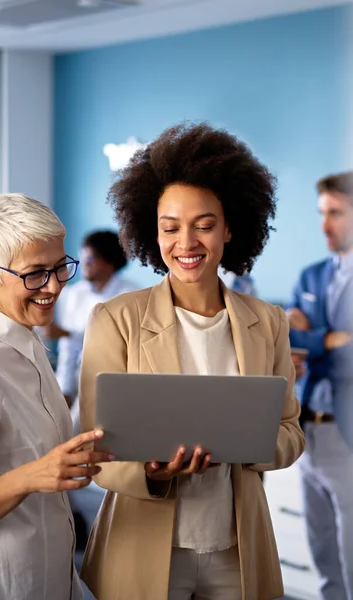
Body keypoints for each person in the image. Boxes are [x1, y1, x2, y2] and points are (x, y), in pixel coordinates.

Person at [78, 122, 305, 600]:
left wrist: (245, 442)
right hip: (143, 545)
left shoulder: (268, 322)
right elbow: (92, 448)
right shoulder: (116, 319)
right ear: (149, 230)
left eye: (204, 225)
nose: (187, 242)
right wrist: (153, 471)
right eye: (170, 227)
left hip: (236, 551)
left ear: (229, 228)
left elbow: (291, 433)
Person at [0, 193, 114, 600]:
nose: (55, 285)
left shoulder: (25, 337)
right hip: (0, 583)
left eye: (61, 267)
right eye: (35, 273)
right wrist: (34, 475)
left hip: (52, 572)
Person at [286, 171, 353, 600]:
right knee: (322, 548)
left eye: (335, 213)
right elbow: (286, 338)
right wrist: (330, 339)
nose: (324, 225)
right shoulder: (311, 276)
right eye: (321, 214)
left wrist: (313, 341)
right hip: (305, 428)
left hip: (347, 436)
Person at [45, 230, 136, 407]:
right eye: (83, 256)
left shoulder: (131, 297)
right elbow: (68, 350)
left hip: (116, 381)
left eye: (91, 258)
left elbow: (119, 347)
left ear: (109, 263)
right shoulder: (74, 294)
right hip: (77, 377)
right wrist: (65, 389)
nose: (84, 263)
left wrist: (69, 334)